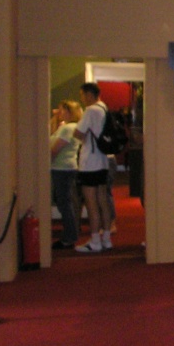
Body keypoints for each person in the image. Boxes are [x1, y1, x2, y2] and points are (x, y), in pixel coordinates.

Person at [73, 82, 116, 253]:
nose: (82, 99)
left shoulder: (90, 111)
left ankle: (95, 240)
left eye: (82, 95)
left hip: (90, 161)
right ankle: (106, 238)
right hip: (103, 160)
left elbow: (78, 134)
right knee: (102, 199)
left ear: (89, 94)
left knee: (91, 202)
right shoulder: (103, 108)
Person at [50, 100, 83, 249]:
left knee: (65, 203)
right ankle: (71, 233)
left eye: (62, 110)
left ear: (69, 112)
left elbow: (55, 149)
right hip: (65, 167)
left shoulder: (68, 128)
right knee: (67, 202)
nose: (59, 112)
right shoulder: (68, 127)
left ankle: (70, 236)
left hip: (62, 168)